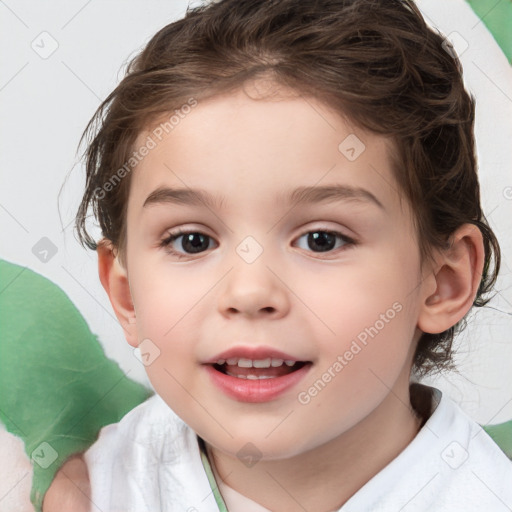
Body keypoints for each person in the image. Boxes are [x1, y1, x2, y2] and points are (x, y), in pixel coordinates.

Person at [66, 0, 512, 510]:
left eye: (322, 239)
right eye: (192, 240)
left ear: (444, 281)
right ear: (125, 294)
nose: (250, 292)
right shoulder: (79, 489)